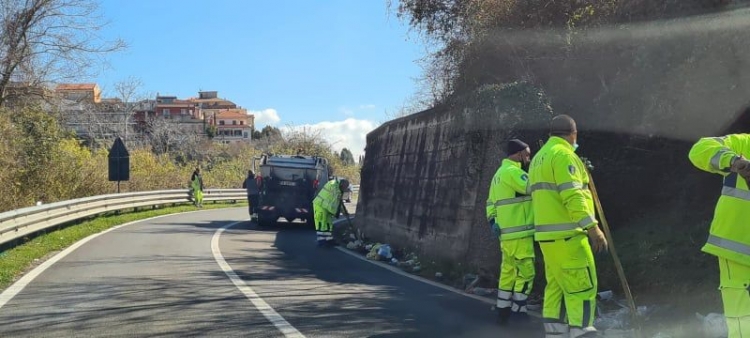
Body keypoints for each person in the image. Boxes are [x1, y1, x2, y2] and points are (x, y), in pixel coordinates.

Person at [528, 114, 608, 338]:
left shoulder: (538, 158)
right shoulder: (565, 156)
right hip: (569, 237)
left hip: (547, 239)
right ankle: (582, 332)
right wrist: (593, 228)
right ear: (573, 134)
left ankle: (555, 334)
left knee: (555, 288)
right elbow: (573, 196)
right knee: (581, 289)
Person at [689, 134, 750, 338]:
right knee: (743, 322)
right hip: (740, 254)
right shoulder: (744, 143)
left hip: (739, 251)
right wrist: (733, 161)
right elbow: (700, 149)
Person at [486, 139, 535, 326]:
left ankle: (503, 310)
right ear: (519, 153)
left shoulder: (498, 175)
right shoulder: (514, 172)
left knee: (508, 272)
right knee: (526, 272)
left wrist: (492, 222)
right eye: (528, 154)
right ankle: (519, 311)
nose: (529, 158)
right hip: (520, 233)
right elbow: (534, 188)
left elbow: (490, 203)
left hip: (505, 235)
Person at [312, 178, 349, 247]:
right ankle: (321, 240)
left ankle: (329, 239)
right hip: (320, 205)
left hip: (327, 207)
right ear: (342, 185)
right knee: (321, 223)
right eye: (344, 187)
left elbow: (338, 203)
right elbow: (336, 202)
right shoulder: (333, 185)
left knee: (328, 224)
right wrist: (338, 213)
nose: (344, 189)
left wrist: (344, 211)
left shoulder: (338, 188)